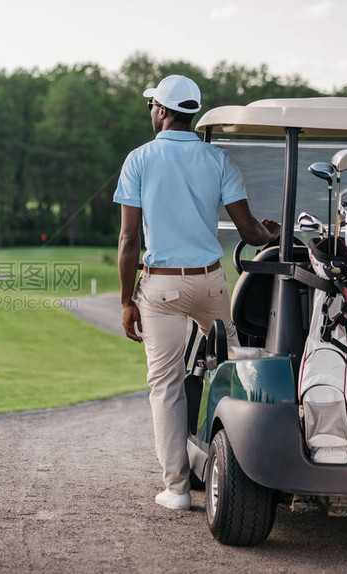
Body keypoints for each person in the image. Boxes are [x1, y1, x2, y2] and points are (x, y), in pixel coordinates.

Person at [114, 75, 280, 510]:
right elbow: (249, 231)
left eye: (153, 105)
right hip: (209, 282)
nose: (151, 111)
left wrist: (126, 300)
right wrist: (270, 231)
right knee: (237, 368)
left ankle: (177, 489)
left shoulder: (138, 159)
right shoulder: (218, 158)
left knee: (166, 385)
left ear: (164, 111)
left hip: (161, 287)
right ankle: (243, 469)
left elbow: (129, 241)